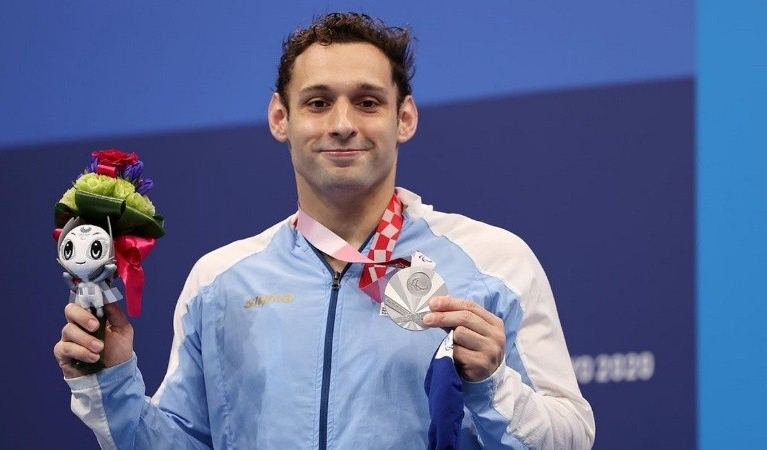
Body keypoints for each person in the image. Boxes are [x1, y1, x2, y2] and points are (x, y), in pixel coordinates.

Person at [54, 12, 595, 449]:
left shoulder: (494, 262)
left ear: (404, 118)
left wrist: (493, 385)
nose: (342, 124)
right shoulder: (219, 282)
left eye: (367, 102)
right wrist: (113, 379)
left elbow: (571, 436)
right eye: (317, 103)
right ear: (280, 118)